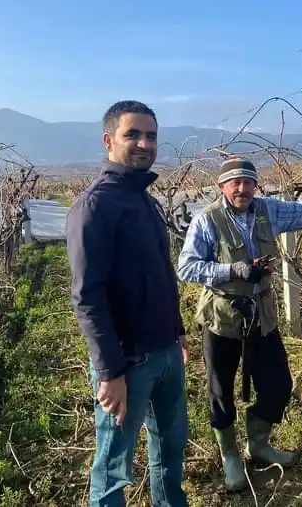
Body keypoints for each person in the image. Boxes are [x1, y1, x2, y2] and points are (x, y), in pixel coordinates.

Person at [176, 157, 302, 492]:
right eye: (235, 183)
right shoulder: (207, 220)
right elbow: (186, 268)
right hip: (222, 316)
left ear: (256, 186)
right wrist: (232, 271)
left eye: (248, 182)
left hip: (262, 314)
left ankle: (258, 443)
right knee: (220, 390)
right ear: (222, 187)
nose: (242, 189)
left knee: (278, 385)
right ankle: (230, 456)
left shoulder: (268, 211)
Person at [66, 100, 189, 507]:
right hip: (128, 362)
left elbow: (161, 273)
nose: (144, 143)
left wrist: (178, 332)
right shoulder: (96, 205)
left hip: (167, 351)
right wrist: (110, 371)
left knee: (170, 451)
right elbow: (88, 296)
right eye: (132, 134)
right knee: (114, 467)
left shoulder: (144, 199)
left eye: (150, 135)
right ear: (108, 140)